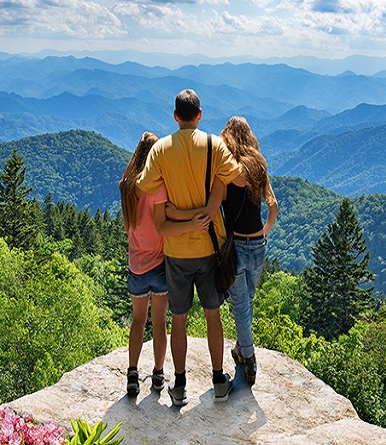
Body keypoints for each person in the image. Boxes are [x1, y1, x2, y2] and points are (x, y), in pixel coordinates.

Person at [137, 89, 242, 406]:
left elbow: (144, 185)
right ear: (199, 115)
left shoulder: (161, 150)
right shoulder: (214, 145)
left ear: (175, 116)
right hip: (210, 246)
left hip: (176, 252)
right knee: (213, 315)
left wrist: (172, 209)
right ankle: (218, 380)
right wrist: (213, 195)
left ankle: (180, 385)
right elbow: (235, 177)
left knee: (178, 319)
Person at [119, 132, 213, 396]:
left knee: (138, 321)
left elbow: (125, 177)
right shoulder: (158, 188)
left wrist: (137, 153)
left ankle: (132, 373)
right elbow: (165, 222)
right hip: (160, 265)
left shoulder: (127, 189)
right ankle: (158, 375)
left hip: (136, 266)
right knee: (159, 322)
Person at [220, 116, 279, 386]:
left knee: (241, 307)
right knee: (246, 304)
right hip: (258, 246)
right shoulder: (259, 167)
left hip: (237, 246)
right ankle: (241, 351)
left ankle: (250, 358)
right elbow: (273, 205)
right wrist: (264, 231)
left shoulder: (232, 169)